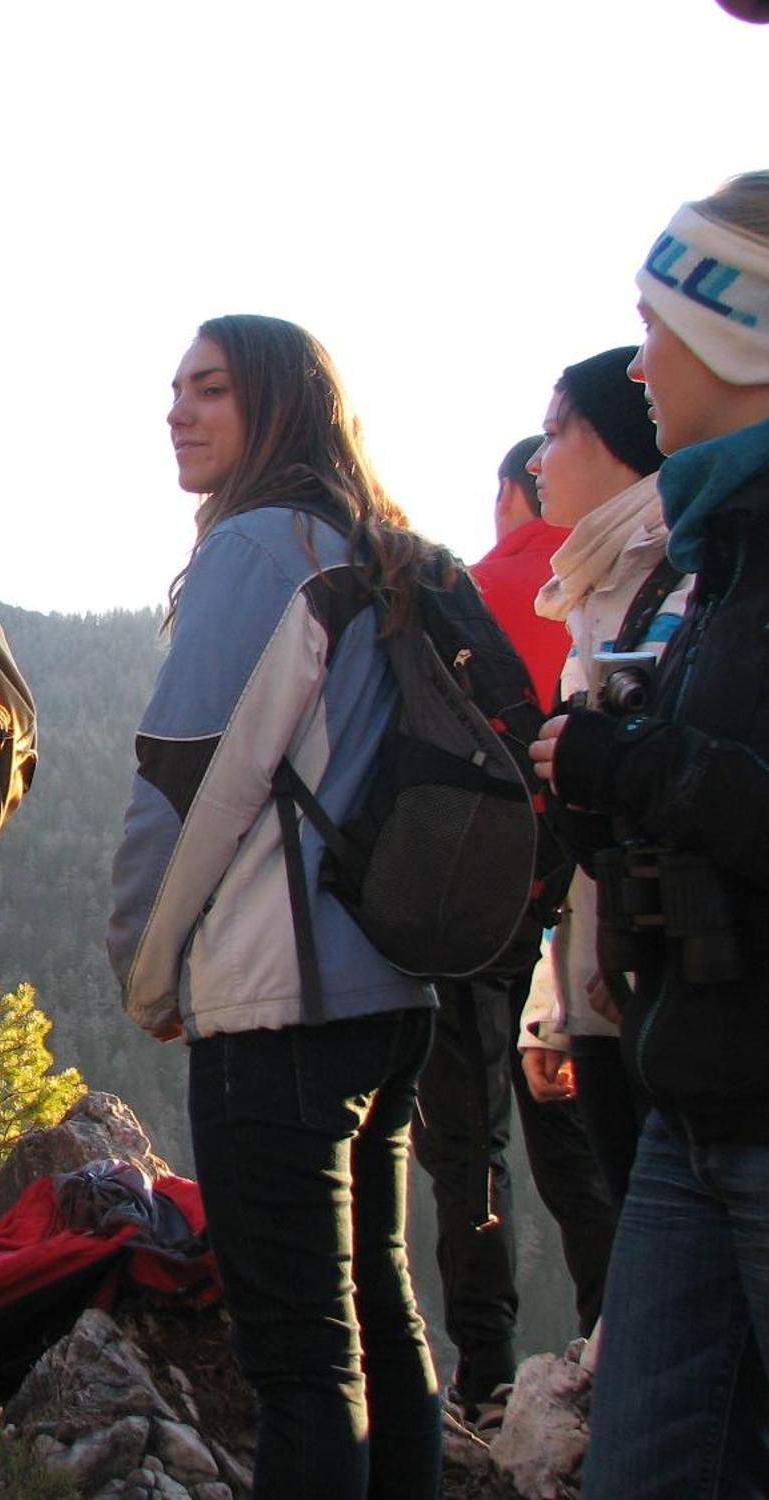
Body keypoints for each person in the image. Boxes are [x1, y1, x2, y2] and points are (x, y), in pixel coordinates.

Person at [108, 314, 442, 1498]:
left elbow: (183, 779)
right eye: (173, 388)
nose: (176, 411)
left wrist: (143, 963)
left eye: (209, 390)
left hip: (277, 1000)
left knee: (298, 1358)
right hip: (391, 989)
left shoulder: (255, 547)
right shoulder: (370, 544)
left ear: (276, 408)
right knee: (375, 1316)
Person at [529, 173, 769, 1497]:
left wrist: (648, 763)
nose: (637, 361)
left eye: (657, 322)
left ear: (741, 328)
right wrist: (604, 783)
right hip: (690, 1103)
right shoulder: (707, 553)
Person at [409, 426, 620, 1430]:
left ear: (508, 495)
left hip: (473, 902)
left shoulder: (474, 591)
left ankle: (484, 1373)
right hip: (587, 904)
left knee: (466, 1139)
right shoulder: (631, 590)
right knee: (585, 1139)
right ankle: (614, 1340)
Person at [513, 350, 686, 1212]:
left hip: (681, 996)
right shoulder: (595, 591)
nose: (538, 461)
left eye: (554, 433)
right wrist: (552, 1010)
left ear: (618, 438)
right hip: (605, 985)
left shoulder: (684, 579)